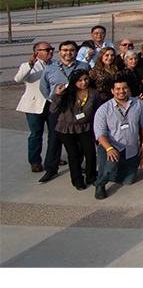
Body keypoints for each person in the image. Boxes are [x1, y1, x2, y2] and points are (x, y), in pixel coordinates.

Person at [38, 41, 90, 184]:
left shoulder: (83, 66)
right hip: (58, 109)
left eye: (72, 50)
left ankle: (78, 166)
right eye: (65, 50)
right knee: (54, 139)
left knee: (78, 139)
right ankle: (51, 169)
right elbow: (44, 87)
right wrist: (54, 99)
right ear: (59, 52)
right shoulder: (50, 69)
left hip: (77, 109)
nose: (68, 53)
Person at [92, 79, 143, 200]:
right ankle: (100, 183)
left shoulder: (138, 104)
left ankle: (111, 172)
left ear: (128, 89)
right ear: (112, 91)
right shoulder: (104, 109)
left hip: (131, 148)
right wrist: (109, 148)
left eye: (124, 88)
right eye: (118, 89)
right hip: (111, 146)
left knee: (128, 181)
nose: (121, 91)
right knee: (109, 165)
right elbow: (99, 133)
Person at [50, 69, 103, 190]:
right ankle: (77, 180)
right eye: (80, 81)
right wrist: (58, 94)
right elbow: (52, 110)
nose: (83, 83)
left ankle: (91, 176)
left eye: (85, 79)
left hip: (86, 127)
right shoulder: (67, 93)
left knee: (90, 153)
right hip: (67, 128)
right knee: (74, 155)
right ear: (74, 82)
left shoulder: (93, 93)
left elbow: (98, 111)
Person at [15, 42, 53, 173]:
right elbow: (18, 79)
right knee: (36, 134)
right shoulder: (29, 66)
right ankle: (35, 161)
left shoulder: (56, 64)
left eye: (51, 49)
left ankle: (53, 157)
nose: (50, 52)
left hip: (51, 104)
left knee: (55, 134)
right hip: (34, 106)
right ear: (37, 52)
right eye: (47, 50)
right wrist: (29, 65)